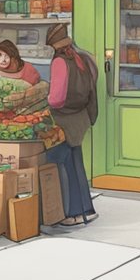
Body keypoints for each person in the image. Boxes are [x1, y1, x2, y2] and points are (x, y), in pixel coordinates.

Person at [46, 23, 100, 227]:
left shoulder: (60, 62)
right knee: (76, 163)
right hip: (81, 118)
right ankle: (87, 209)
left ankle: (72, 212)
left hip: (65, 120)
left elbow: (57, 99)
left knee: (63, 165)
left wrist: (46, 99)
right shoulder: (80, 58)